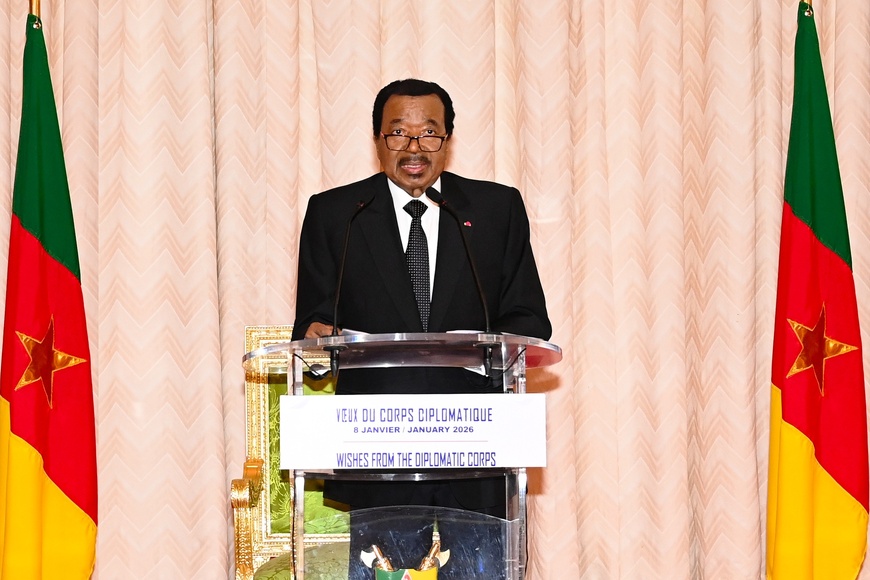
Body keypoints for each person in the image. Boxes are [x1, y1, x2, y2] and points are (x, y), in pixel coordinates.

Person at [292, 78, 551, 579]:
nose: (414, 147)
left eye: (429, 132)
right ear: (378, 139)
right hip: (376, 444)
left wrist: (492, 349)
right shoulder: (338, 213)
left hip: (476, 443)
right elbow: (311, 322)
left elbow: (529, 319)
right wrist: (318, 336)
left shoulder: (495, 209)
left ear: (447, 138)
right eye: (398, 132)